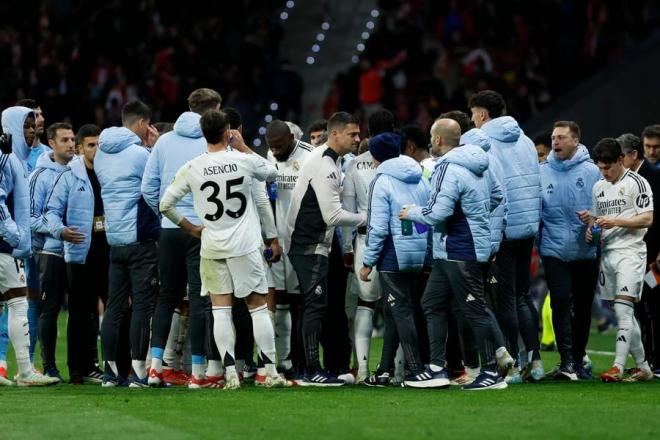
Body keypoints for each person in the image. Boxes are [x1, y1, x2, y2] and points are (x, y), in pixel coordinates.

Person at [159, 109, 289, 389]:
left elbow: (165, 204)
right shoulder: (242, 161)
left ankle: (229, 373)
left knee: (220, 310)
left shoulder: (192, 167)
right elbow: (271, 173)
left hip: (212, 246)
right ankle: (270, 371)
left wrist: (191, 228)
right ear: (228, 130)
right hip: (243, 245)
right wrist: (243, 147)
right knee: (257, 308)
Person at [400, 118, 511, 390]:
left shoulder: (446, 167)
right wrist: (475, 212)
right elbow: (496, 196)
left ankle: (490, 374)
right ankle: (437, 368)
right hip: (454, 249)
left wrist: (411, 212)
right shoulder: (481, 162)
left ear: (438, 140)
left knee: (474, 310)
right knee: (431, 303)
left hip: (460, 249)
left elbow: (438, 212)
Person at [142, 88, 225, 388]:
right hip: (201, 231)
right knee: (202, 299)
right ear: (213, 111)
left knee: (166, 297)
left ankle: (155, 369)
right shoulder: (211, 143)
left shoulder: (164, 141)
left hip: (169, 229)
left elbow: (149, 189)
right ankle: (199, 373)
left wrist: (169, 216)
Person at [286, 111, 366, 386]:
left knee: (313, 305)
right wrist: (367, 218)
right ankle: (310, 370)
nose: (358, 139)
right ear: (335, 134)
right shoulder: (326, 165)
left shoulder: (326, 159)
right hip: (309, 244)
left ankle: (305, 368)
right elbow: (332, 216)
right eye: (352, 134)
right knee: (314, 307)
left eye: (358, 134)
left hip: (309, 242)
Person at [469, 90, 543, 383]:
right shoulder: (525, 140)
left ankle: (511, 363)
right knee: (523, 295)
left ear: (483, 115)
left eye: (473, 114)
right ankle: (535, 361)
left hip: (504, 229)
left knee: (504, 300)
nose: (473, 120)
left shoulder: (485, 143)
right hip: (528, 226)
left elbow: (494, 189)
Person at [94, 100, 161, 387]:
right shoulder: (140, 154)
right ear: (142, 123)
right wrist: (153, 148)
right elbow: (153, 186)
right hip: (140, 239)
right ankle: (138, 373)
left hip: (115, 240)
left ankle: (110, 373)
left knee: (114, 307)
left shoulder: (100, 154)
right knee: (142, 307)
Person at [358, 133, 430, 387]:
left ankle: (416, 369)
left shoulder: (381, 181)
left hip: (393, 255)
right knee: (393, 313)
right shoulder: (420, 177)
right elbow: (428, 216)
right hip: (420, 252)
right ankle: (385, 370)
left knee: (400, 312)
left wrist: (367, 261)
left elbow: (377, 227)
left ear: (375, 155)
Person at [45, 124, 111, 384]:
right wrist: (61, 231)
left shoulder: (110, 173)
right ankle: (77, 369)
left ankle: (114, 366)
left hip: (108, 249)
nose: (97, 150)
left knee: (114, 310)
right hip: (81, 252)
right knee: (80, 312)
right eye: (91, 145)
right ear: (81, 148)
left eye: (100, 145)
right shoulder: (69, 175)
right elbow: (51, 211)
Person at [583, 138, 654, 382]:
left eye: (608, 167)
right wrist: (590, 227)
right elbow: (596, 220)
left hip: (631, 252)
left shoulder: (637, 183)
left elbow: (646, 219)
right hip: (609, 254)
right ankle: (643, 366)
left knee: (624, 309)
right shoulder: (598, 187)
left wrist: (616, 222)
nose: (604, 173)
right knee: (623, 312)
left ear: (621, 160)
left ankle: (618, 366)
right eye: (601, 168)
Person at [0, 105, 58, 386]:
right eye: (25, 125)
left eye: (32, 125)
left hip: (8, 245)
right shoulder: (5, 157)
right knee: (19, 301)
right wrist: (13, 235)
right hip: (4, 246)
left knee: (13, 302)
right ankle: (25, 372)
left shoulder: (15, 158)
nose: (31, 130)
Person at [539, 121, 601, 380]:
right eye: (554, 137)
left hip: (585, 249)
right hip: (553, 249)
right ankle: (565, 363)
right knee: (560, 300)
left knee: (584, 306)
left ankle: (577, 360)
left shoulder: (593, 172)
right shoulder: (541, 172)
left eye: (562, 137)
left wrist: (594, 223)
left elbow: (606, 211)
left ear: (576, 141)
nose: (556, 142)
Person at [341, 110, 395, 383]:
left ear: (369, 132)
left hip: (365, 240)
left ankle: (361, 371)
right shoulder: (403, 163)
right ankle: (399, 370)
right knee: (397, 305)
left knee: (366, 304)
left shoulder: (354, 165)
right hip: (399, 241)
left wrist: (346, 249)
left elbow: (346, 211)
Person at [265, 120, 313, 377]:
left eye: (278, 146)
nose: (274, 152)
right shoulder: (269, 156)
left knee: (299, 301)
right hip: (275, 240)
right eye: (271, 147)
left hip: (299, 241)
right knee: (279, 297)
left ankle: (299, 361)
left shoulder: (308, 156)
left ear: (290, 139)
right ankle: (280, 362)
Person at [30, 123, 77, 382]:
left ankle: (82, 366)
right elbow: (31, 219)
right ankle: (49, 366)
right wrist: (58, 230)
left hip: (79, 250)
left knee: (82, 310)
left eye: (72, 139)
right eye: (64, 140)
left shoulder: (78, 170)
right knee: (51, 308)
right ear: (51, 143)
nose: (70, 144)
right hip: (51, 252)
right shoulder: (40, 175)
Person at [618, 133, 660, 376]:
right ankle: (648, 359)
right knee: (642, 306)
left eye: (620, 157)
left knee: (652, 307)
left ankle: (655, 360)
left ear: (633, 155)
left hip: (653, 257)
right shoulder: (631, 178)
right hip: (638, 253)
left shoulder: (650, 179)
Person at [15, 98, 49, 362]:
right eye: (33, 116)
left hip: (36, 239)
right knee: (13, 299)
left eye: (40, 115)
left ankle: (28, 361)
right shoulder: (9, 155)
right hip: (11, 236)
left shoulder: (48, 155)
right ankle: (3, 363)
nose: (39, 120)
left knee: (33, 300)